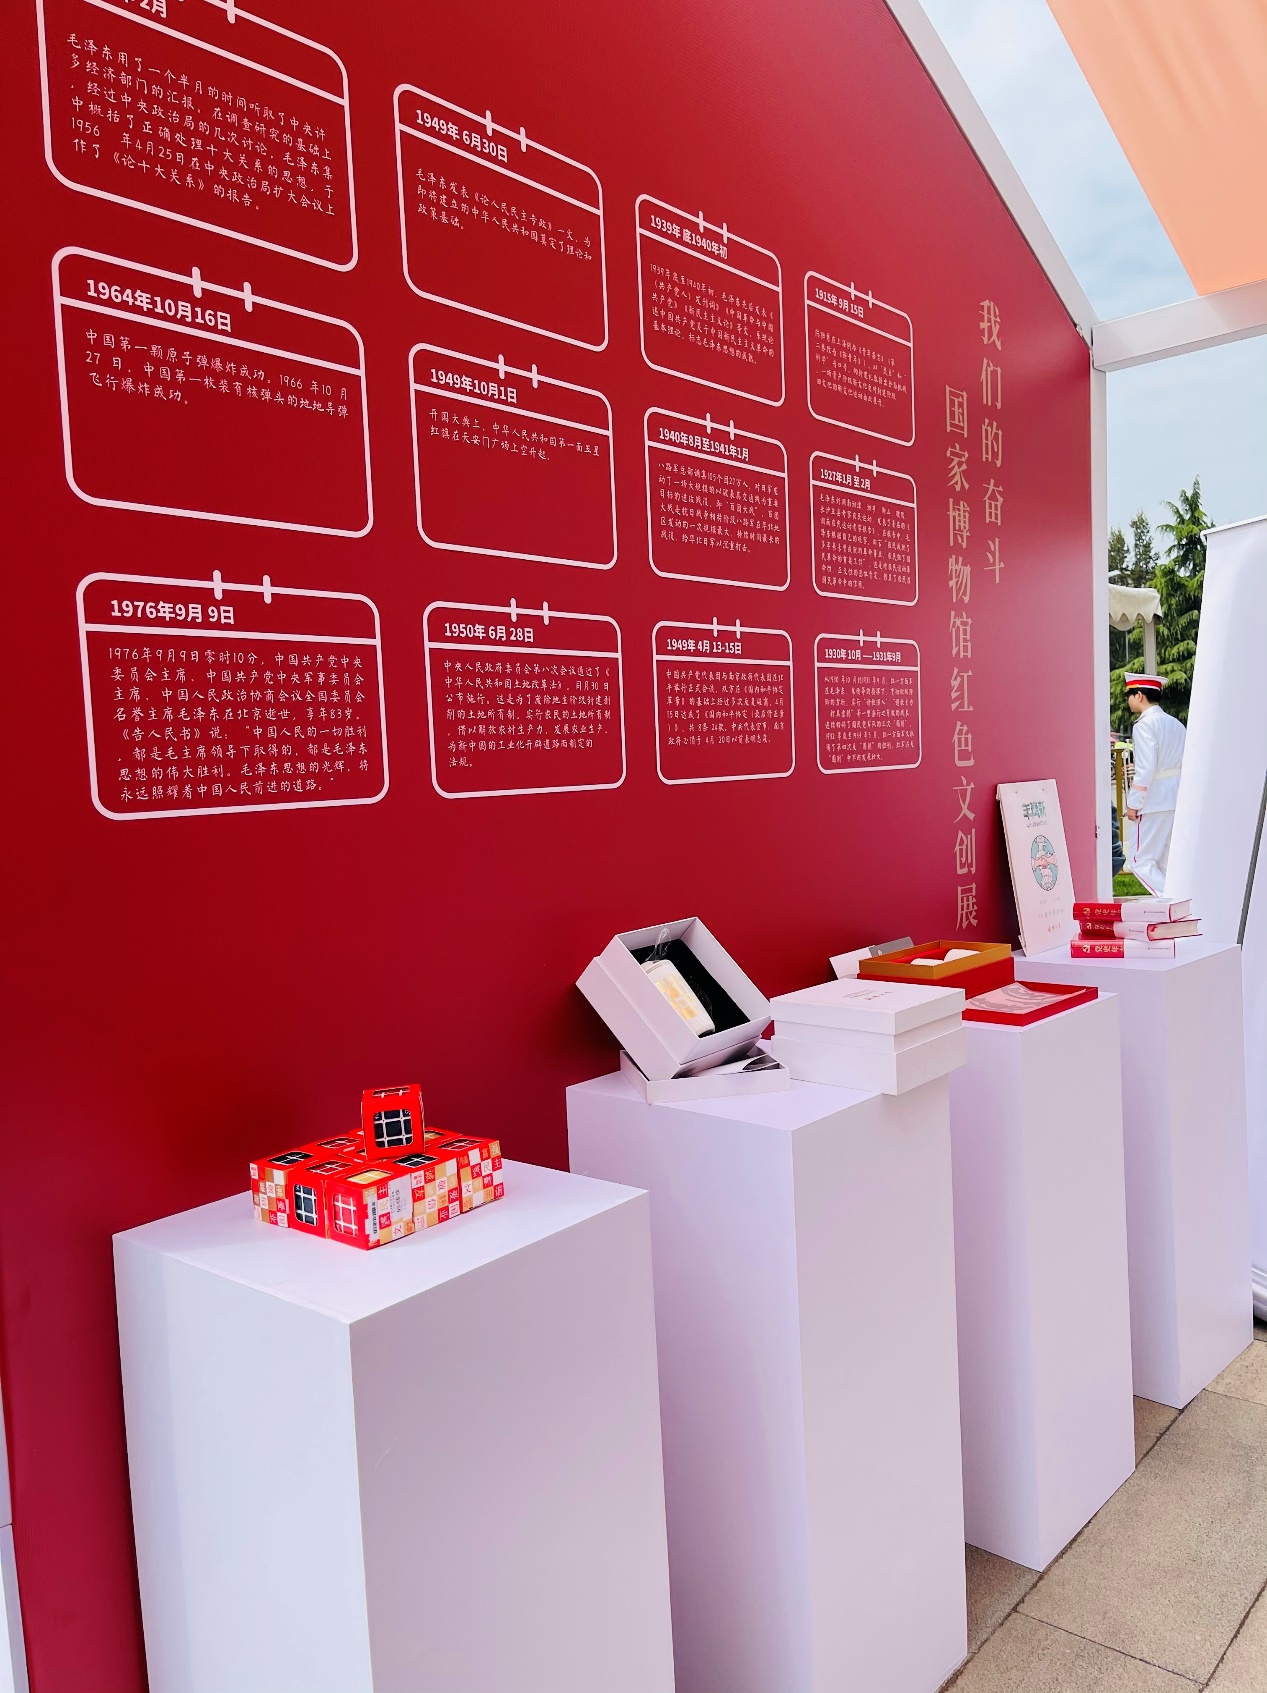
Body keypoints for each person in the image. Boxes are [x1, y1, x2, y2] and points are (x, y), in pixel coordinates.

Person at [1123, 673, 1186, 894]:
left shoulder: (1143, 725)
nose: (1128, 700)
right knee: (1167, 861)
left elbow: (1146, 768)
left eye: (1129, 695)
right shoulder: (1175, 724)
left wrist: (1134, 803)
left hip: (1153, 799)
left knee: (1139, 861)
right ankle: (1181, 901)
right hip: (1175, 796)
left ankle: (1170, 902)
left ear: (1139, 695)